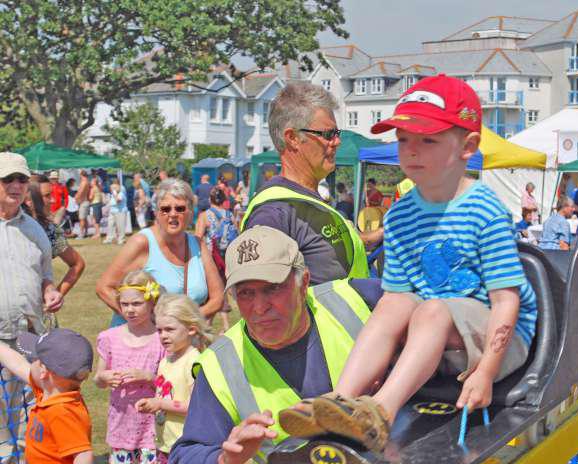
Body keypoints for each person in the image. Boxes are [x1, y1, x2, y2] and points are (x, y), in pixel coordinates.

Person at [286, 75, 538, 453]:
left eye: (428, 140)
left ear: (467, 146)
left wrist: (486, 371)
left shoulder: (484, 209)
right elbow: (396, 302)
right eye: (404, 141)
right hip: (439, 334)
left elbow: (506, 302)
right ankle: (339, 399)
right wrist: (378, 359)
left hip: (501, 339)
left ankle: (380, 414)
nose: (412, 151)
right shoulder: (401, 215)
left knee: (432, 310)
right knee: (396, 303)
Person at [169, 227, 384, 464]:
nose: (259, 307)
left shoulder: (358, 300)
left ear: (303, 281)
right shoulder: (221, 363)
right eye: (246, 293)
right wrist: (226, 460)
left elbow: (436, 316)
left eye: (273, 288)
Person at [241, 82, 381, 284]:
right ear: (293, 138)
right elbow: (261, 301)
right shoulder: (274, 212)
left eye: (337, 134)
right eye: (328, 134)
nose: (336, 142)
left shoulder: (307, 199)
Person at [0, 153, 63, 464]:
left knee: (28, 425)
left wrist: (50, 291)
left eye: (21, 180)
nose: (15, 187)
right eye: (7, 180)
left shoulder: (34, 230)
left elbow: (45, 277)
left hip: (27, 342)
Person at [136, 294, 219, 464]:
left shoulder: (195, 361)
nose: (163, 336)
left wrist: (160, 404)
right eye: (159, 330)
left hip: (189, 451)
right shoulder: (167, 359)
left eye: (170, 329)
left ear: (192, 329)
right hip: (166, 448)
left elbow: (197, 407)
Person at [0, 330, 96, 464]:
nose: (30, 362)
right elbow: (18, 364)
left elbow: (83, 455)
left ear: (44, 372)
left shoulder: (62, 411)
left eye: (33, 359)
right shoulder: (49, 393)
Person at [94, 270, 166, 464]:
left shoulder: (161, 339)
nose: (130, 309)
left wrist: (148, 376)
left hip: (151, 430)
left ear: (152, 302)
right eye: (125, 304)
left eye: (137, 303)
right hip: (121, 427)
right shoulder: (110, 337)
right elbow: (97, 378)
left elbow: (172, 381)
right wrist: (105, 377)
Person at [96, 178, 224, 324]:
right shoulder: (142, 243)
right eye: (165, 209)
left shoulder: (198, 245)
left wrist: (183, 322)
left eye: (180, 208)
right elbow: (104, 287)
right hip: (141, 342)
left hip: (180, 341)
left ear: (190, 212)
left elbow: (218, 298)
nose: (173, 214)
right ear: (157, 212)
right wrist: (141, 320)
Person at [25, 182, 86, 298]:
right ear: (28, 200)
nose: (52, 200)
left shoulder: (50, 230)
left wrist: (56, 295)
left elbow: (77, 264)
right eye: (47, 195)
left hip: (37, 308)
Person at [194, 186, 237, 332]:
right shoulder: (229, 215)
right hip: (228, 257)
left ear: (209, 200)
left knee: (213, 291)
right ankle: (224, 326)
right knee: (223, 288)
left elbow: (197, 238)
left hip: (212, 258)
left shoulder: (205, 215)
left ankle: (208, 325)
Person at [103, 178, 128, 245]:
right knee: (110, 225)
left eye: (113, 187)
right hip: (113, 210)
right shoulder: (115, 190)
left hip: (120, 210)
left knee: (120, 226)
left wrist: (114, 192)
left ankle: (121, 239)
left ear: (117, 185)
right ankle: (109, 239)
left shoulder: (121, 190)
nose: (111, 188)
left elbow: (118, 200)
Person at [74, 170, 91, 238]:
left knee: (81, 218)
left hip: (83, 202)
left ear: (81, 175)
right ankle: (86, 232)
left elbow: (81, 192)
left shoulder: (84, 182)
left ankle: (81, 234)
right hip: (85, 201)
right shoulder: (87, 181)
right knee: (85, 218)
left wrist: (76, 197)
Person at [89, 174, 104, 240]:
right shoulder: (99, 188)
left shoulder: (93, 189)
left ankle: (97, 233)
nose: (90, 182)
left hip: (95, 204)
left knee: (95, 220)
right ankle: (97, 233)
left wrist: (88, 198)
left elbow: (91, 197)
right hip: (99, 204)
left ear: (94, 182)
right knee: (96, 219)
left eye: (91, 181)